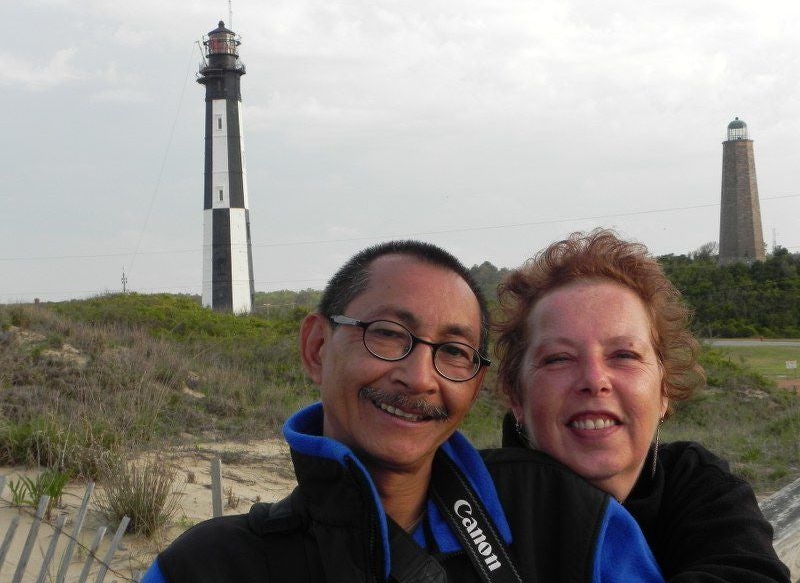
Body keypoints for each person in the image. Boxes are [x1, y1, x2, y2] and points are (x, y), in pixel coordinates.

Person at [141, 239, 663, 582]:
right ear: (317, 347)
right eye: (388, 334)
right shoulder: (210, 566)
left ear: (476, 384)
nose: (419, 377)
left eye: (454, 351)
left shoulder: (565, 519)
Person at [495, 229, 791, 582]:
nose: (595, 379)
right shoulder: (471, 505)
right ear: (517, 397)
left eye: (624, 355)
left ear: (664, 390)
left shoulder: (697, 485)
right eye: (559, 358)